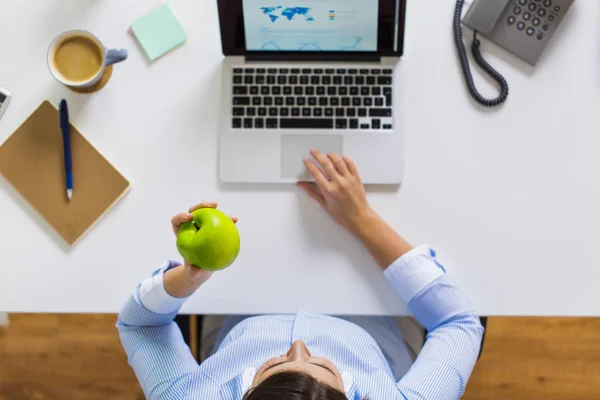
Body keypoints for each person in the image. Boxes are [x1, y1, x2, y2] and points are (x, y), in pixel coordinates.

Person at [117, 150, 484, 399]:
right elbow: (458, 323)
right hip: (377, 319)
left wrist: (191, 275)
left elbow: (141, 326)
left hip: (242, 309)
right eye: (324, 365)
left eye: (273, 364)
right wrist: (360, 218)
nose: (298, 347)